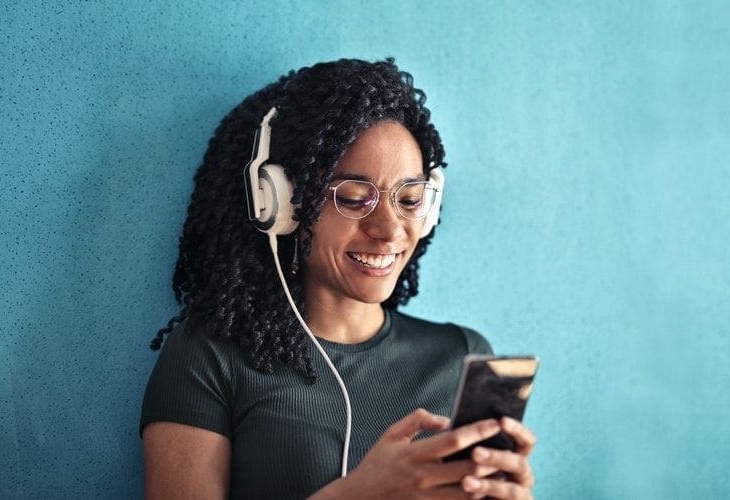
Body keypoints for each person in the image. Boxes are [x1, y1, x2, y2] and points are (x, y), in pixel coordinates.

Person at [141, 58, 536, 499]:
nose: (388, 230)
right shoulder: (210, 356)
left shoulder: (463, 357)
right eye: (353, 197)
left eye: (409, 199)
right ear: (281, 205)